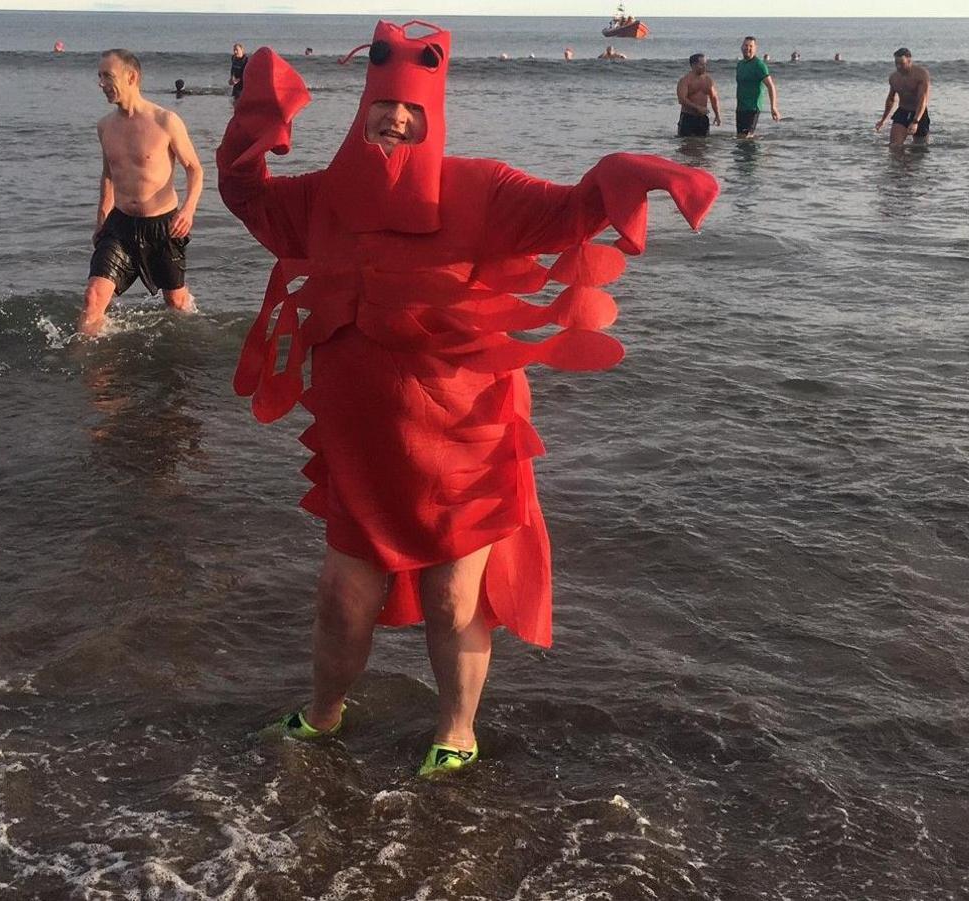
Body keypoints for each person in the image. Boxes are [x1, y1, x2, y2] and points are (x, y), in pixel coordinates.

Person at [217, 20, 718, 777]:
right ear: (364, 111)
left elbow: (569, 210)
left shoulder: (480, 189)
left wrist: (627, 170)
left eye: (412, 108)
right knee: (341, 596)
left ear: (435, 114)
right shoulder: (321, 201)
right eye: (384, 104)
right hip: (363, 450)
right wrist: (263, 108)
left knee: (455, 598)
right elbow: (245, 193)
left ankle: (457, 728)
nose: (396, 118)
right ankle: (323, 713)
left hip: (465, 441)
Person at [81, 49, 203, 336]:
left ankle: (186, 348)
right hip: (120, 225)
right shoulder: (105, 126)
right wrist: (101, 219)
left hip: (163, 226)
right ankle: (85, 367)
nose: (101, 83)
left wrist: (188, 209)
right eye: (99, 76)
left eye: (107, 76)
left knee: (176, 302)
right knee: (93, 298)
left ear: (131, 77)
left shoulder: (165, 121)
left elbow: (195, 169)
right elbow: (109, 174)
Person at [874, 47, 931, 146]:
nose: (899, 67)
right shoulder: (894, 77)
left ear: (909, 60)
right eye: (896, 64)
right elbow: (891, 99)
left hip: (919, 113)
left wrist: (915, 121)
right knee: (894, 145)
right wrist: (883, 120)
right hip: (903, 111)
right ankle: (898, 161)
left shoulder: (921, 74)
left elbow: (923, 100)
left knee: (920, 148)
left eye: (902, 64)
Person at [735, 36, 780, 138]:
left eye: (751, 46)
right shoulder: (740, 64)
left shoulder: (759, 65)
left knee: (746, 137)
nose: (748, 48)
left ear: (755, 48)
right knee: (740, 137)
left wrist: (773, 107)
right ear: (741, 47)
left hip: (753, 107)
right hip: (740, 107)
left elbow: (770, 86)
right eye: (746, 45)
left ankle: (756, 153)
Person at [676, 53, 721, 137]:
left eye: (705, 64)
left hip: (703, 118)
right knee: (686, 145)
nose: (704, 67)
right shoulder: (685, 80)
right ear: (693, 65)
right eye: (701, 65)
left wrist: (717, 115)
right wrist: (697, 107)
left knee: (703, 145)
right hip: (688, 117)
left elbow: (714, 98)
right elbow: (682, 99)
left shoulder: (708, 80)